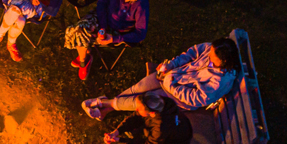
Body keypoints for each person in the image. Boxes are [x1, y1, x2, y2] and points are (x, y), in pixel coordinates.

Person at [81, 36, 241, 118]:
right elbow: (191, 54)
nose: (208, 53)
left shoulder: (220, 82)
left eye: (212, 55)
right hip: (170, 76)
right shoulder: (211, 49)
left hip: (177, 97)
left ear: (223, 61)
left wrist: (172, 85)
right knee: (136, 89)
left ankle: (103, 103)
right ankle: (107, 109)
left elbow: (196, 98)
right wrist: (169, 66)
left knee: (140, 100)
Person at [64, 0, 148, 80]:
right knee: (79, 30)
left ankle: (83, 60)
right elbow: (102, 2)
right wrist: (103, 25)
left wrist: (114, 38)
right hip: (102, 17)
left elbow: (141, 33)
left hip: (117, 30)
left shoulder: (141, 6)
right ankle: (85, 57)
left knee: (81, 36)